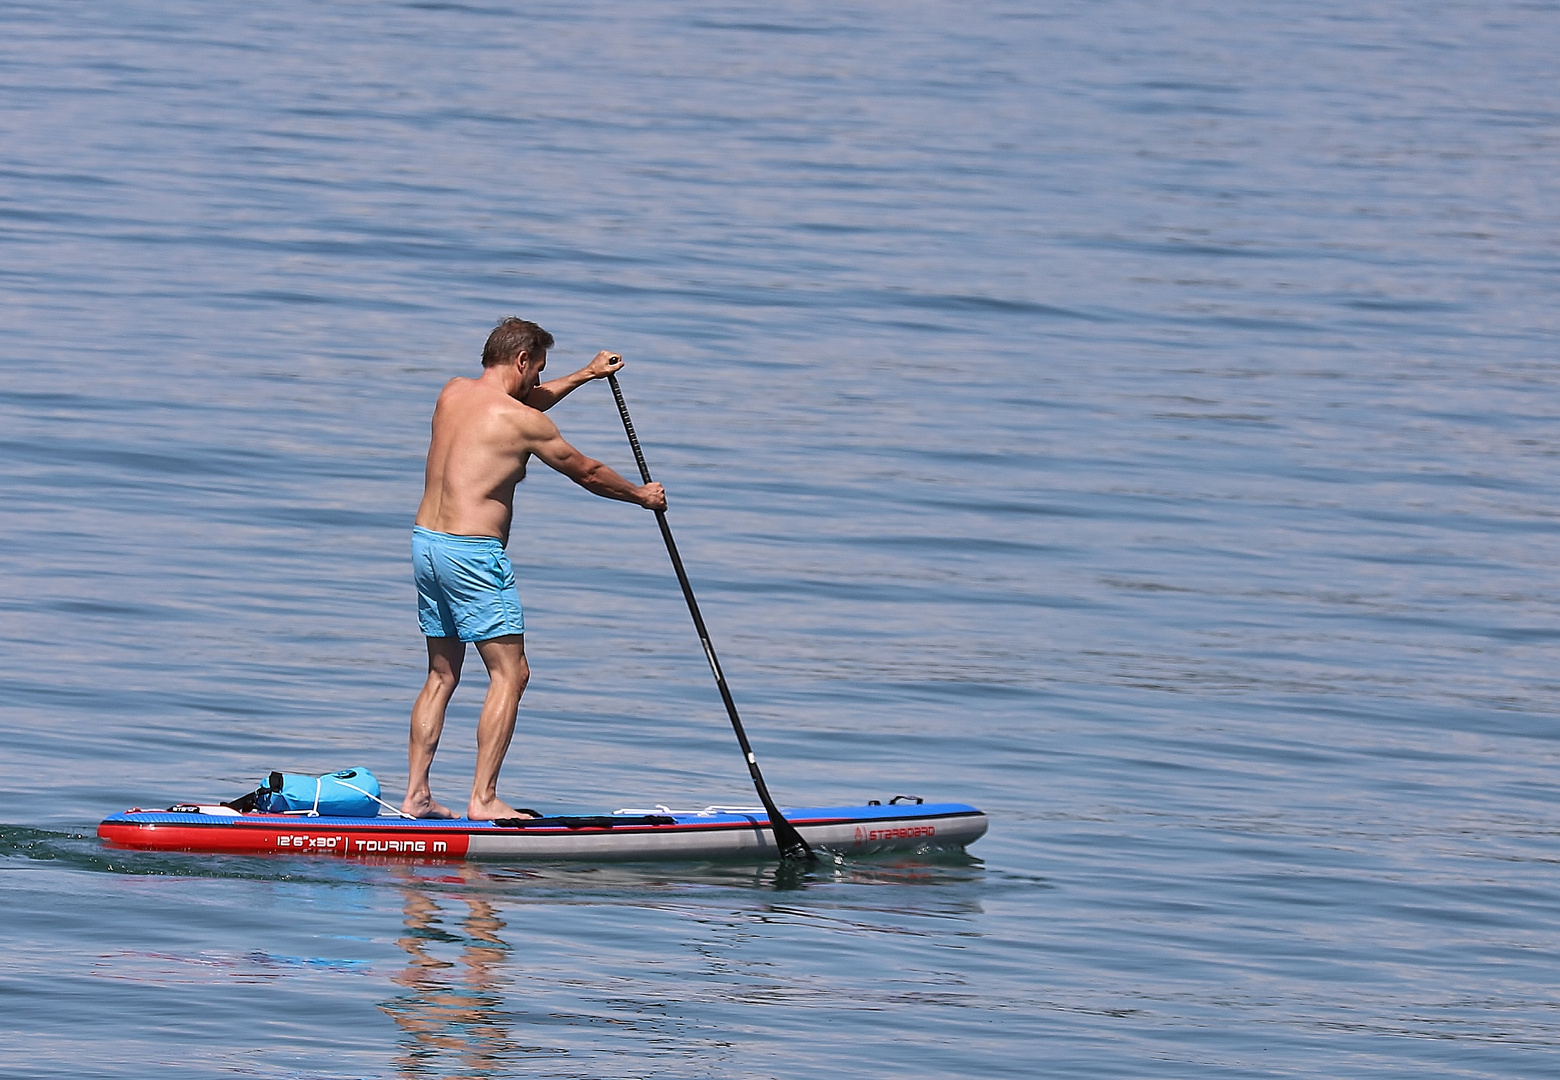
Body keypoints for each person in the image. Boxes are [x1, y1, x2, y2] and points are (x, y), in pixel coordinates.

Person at [403, 317, 665, 820]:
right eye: (538, 371)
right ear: (522, 361)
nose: (540, 382)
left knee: (441, 674)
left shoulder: (453, 393)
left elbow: (522, 403)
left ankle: (416, 795)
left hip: (427, 544)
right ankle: (482, 800)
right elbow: (585, 471)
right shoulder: (522, 420)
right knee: (511, 674)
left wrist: (585, 375)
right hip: (473, 554)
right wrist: (640, 496)